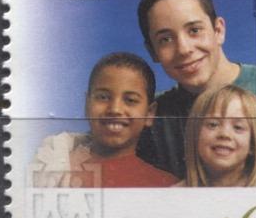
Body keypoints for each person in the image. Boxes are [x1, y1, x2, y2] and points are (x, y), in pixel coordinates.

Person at [136, 0, 256, 179]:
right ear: (152, 51)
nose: (184, 49)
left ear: (218, 31)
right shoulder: (151, 115)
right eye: (165, 39)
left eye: (194, 30)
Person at [33, 52, 176, 188]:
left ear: (149, 114)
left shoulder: (166, 186)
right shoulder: (52, 168)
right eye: (103, 97)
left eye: (130, 100)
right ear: (87, 104)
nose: (115, 109)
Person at [182, 84, 256, 187]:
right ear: (195, 135)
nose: (225, 134)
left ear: (253, 144)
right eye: (213, 124)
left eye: (238, 127)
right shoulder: (176, 192)